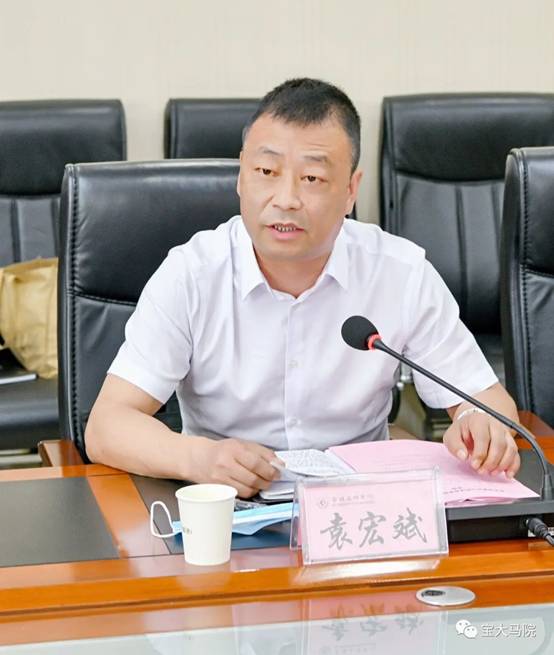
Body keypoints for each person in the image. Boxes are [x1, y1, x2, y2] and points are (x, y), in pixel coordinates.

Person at [85, 78, 520, 498]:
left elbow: (490, 404)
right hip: (225, 503)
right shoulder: (192, 274)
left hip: (361, 504)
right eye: (266, 171)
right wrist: (199, 458)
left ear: (350, 190)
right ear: (241, 176)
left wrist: (479, 424)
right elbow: (107, 426)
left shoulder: (400, 272)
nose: (286, 199)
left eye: (311, 178)